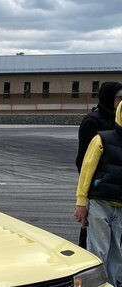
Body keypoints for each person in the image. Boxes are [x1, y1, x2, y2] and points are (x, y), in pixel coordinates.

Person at [74, 101, 122, 287]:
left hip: (120, 207)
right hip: (100, 203)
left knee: (117, 252)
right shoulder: (101, 139)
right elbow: (86, 171)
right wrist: (81, 203)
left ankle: (110, 284)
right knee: (98, 251)